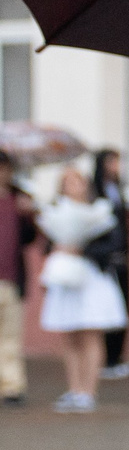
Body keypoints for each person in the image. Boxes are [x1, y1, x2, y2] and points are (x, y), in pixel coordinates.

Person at [36, 168, 127, 414]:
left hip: (91, 278)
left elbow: (115, 245)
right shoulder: (56, 212)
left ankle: (89, 390)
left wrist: (82, 250)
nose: (74, 186)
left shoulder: (100, 212)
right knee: (70, 334)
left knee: (90, 333)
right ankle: (74, 388)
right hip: (66, 278)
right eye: (68, 182)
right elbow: (47, 244)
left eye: (78, 181)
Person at [90, 149, 129, 379]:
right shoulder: (94, 190)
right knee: (105, 307)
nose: (116, 166)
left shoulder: (118, 188)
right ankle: (105, 358)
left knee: (124, 304)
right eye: (112, 162)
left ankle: (117, 356)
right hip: (103, 259)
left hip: (122, 256)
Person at [0, 151, 32, 407]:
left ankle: (11, 386)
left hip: (10, 278)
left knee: (10, 336)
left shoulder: (19, 200)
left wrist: (28, 215)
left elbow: (30, 238)